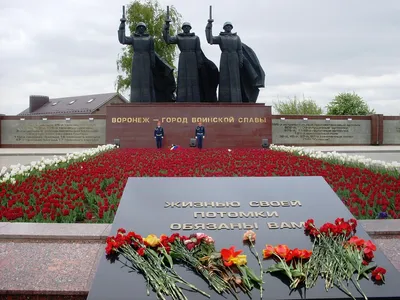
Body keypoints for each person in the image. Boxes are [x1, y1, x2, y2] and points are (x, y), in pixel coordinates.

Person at [163, 20, 219, 102]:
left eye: (187, 27)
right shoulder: (179, 37)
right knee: (182, 78)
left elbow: (198, 51)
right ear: (183, 28)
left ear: (190, 28)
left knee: (194, 79)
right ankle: (181, 99)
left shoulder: (195, 38)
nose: (186, 28)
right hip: (183, 58)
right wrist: (166, 27)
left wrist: (199, 62)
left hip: (193, 59)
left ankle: (195, 99)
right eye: (184, 27)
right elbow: (168, 39)